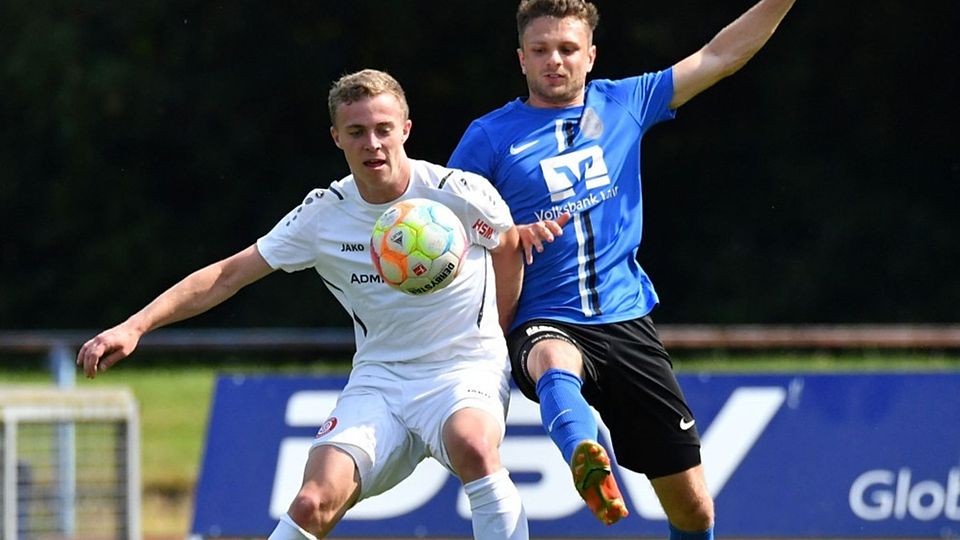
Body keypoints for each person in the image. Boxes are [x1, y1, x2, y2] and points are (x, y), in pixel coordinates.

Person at [77, 69, 529, 540]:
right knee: (313, 501)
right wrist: (135, 326)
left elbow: (508, 246)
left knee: (473, 446)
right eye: (356, 132)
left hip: (463, 368)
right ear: (337, 137)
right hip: (381, 379)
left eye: (383, 129)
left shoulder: (458, 193)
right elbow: (228, 274)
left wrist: (498, 333)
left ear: (406, 130)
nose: (372, 143)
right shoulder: (323, 215)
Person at [447, 0, 796, 537]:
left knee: (694, 511)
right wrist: (509, 237)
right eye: (540, 50)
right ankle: (584, 452)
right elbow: (447, 233)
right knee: (552, 359)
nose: (554, 61)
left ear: (591, 55)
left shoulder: (626, 101)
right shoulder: (488, 138)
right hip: (543, 316)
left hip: (626, 319)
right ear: (521, 59)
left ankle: (594, 451)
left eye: (567, 49)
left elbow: (722, 54)